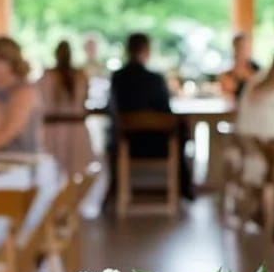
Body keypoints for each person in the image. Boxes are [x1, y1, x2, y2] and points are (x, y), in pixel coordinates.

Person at [108, 32, 192, 199]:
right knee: (182, 129)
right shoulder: (155, 79)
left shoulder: (118, 78)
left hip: (126, 141)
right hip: (156, 144)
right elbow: (166, 113)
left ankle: (116, 189)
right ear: (146, 50)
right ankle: (184, 185)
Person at [38, 40, 93, 175]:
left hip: (58, 129)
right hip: (72, 128)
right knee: (72, 173)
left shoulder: (49, 76)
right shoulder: (80, 76)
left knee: (58, 173)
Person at [0, 36, 40, 153]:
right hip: (0, 159)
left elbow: (6, 134)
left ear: (8, 62)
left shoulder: (24, 92)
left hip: (22, 161)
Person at [220, 33, 259, 102]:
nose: (244, 51)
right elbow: (227, 95)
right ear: (234, 48)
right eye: (240, 47)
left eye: (246, 47)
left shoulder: (257, 70)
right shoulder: (227, 75)